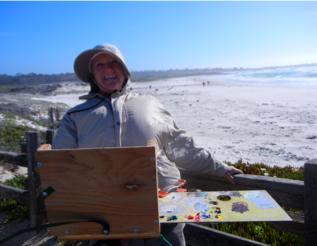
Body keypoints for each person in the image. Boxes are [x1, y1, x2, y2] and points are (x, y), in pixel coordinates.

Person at [53, 44, 243, 246]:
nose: (108, 69)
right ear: (92, 75)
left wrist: (218, 168)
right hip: (105, 218)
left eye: (113, 63)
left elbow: (181, 145)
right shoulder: (75, 117)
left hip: (164, 210)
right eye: (99, 65)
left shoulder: (150, 103)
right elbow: (61, 166)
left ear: (125, 70)